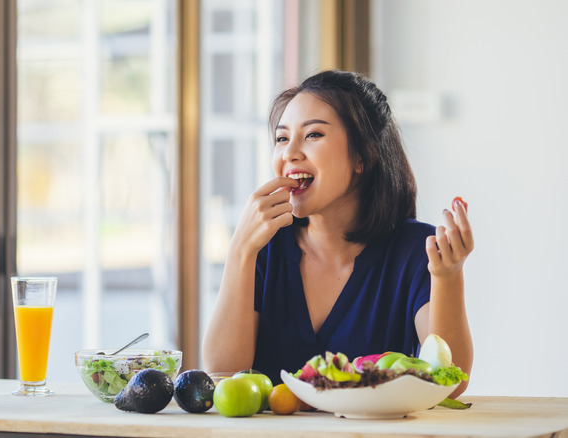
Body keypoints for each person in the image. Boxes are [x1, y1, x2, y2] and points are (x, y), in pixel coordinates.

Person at [201, 70, 473, 397]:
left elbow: (449, 383)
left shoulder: (416, 251)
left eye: (313, 135)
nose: (289, 153)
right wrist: (240, 251)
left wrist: (448, 275)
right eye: (282, 138)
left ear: (363, 155)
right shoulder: (264, 247)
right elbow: (222, 374)